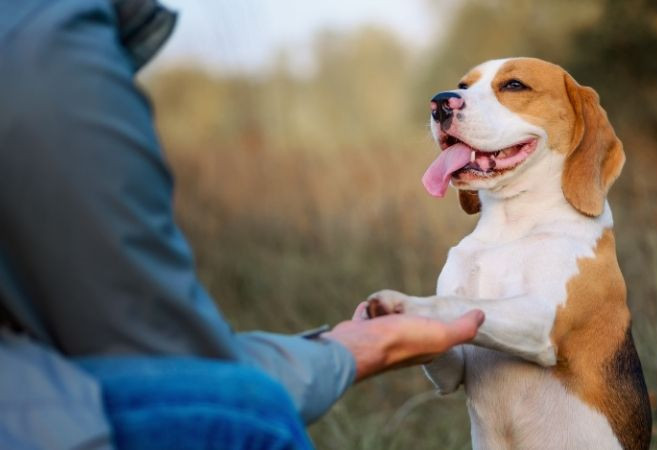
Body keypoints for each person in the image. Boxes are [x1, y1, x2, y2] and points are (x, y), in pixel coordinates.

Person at [0, 0, 484, 448]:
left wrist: (339, 349)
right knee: (248, 417)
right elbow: (180, 370)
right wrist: (350, 353)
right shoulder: (49, 54)